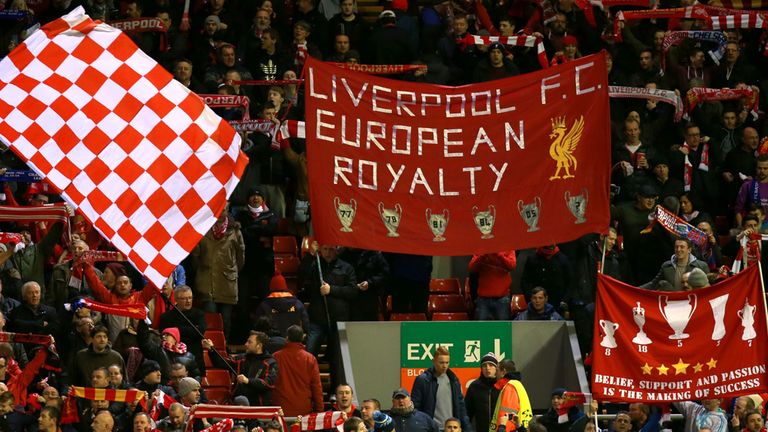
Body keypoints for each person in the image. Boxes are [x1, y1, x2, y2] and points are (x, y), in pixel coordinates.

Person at [191, 203, 245, 339]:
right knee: (209, 317)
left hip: (227, 281)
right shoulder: (203, 229)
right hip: (206, 280)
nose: (221, 213)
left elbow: (240, 256)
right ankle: (210, 346)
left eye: (224, 210)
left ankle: (224, 346)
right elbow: (195, 256)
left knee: (226, 319)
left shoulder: (235, 231)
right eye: (219, 210)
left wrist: (232, 270)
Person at [203, 330, 278, 406]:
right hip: (238, 403)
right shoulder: (241, 359)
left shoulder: (270, 362)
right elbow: (221, 362)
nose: (246, 344)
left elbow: (268, 383)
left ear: (259, 345)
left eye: (249, 342)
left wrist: (248, 381)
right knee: (240, 399)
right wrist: (211, 349)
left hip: (259, 406)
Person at [411, 346, 471, 431]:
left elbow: (461, 408)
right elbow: (415, 408)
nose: (445, 366)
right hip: (431, 429)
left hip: (451, 429)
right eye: (441, 362)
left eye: (447, 362)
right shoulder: (423, 380)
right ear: (433, 361)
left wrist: (467, 428)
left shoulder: (453, 380)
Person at [272, 325, 323, 416]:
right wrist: (319, 411)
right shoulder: (310, 359)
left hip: (281, 411)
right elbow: (316, 387)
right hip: (304, 412)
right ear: (303, 338)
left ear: (287, 338)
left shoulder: (276, 357)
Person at [158, 286, 207, 374]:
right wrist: (191, 330)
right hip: (174, 361)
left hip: (195, 358)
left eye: (190, 298)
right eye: (184, 298)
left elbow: (200, 332)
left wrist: (177, 330)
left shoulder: (199, 314)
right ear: (176, 299)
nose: (188, 301)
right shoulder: (166, 317)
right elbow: (166, 337)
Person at [641, 238, 710, 291]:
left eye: (682, 247)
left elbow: (710, 287)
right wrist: (632, 290)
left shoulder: (701, 266)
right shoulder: (666, 266)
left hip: (694, 303)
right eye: (676, 247)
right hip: (674, 305)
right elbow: (653, 284)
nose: (678, 249)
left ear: (689, 250)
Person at [468, 251, 516, 320]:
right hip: (483, 298)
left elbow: (512, 266)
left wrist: (499, 255)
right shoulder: (481, 249)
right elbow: (471, 268)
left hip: (502, 298)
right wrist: (482, 255)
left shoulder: (508, 248)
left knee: (502, 328)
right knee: (481, 328)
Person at [464, 353, 500, 432]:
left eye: (491, 365)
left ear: (496, 368)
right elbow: (467, 412)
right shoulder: (474, 387)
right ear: (481, 368)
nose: (487, 368)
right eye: (484, 366)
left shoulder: (502, 386)